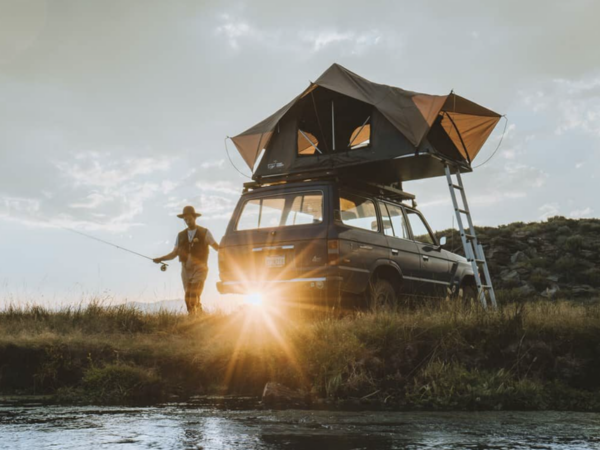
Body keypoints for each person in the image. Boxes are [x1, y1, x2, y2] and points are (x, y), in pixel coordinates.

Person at [153, 205, 219, 314]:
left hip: (200, 268)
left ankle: (196, 315)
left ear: (195, 218)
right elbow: (174, 253)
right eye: (186, 220)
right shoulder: (180, 235)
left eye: (189, 219)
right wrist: (160, 258)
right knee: (188, 296)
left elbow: (216, 247)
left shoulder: (205, 232)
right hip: (185, 269)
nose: (188, 221)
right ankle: (195, 316)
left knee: (193, 293)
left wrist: (229, 252)